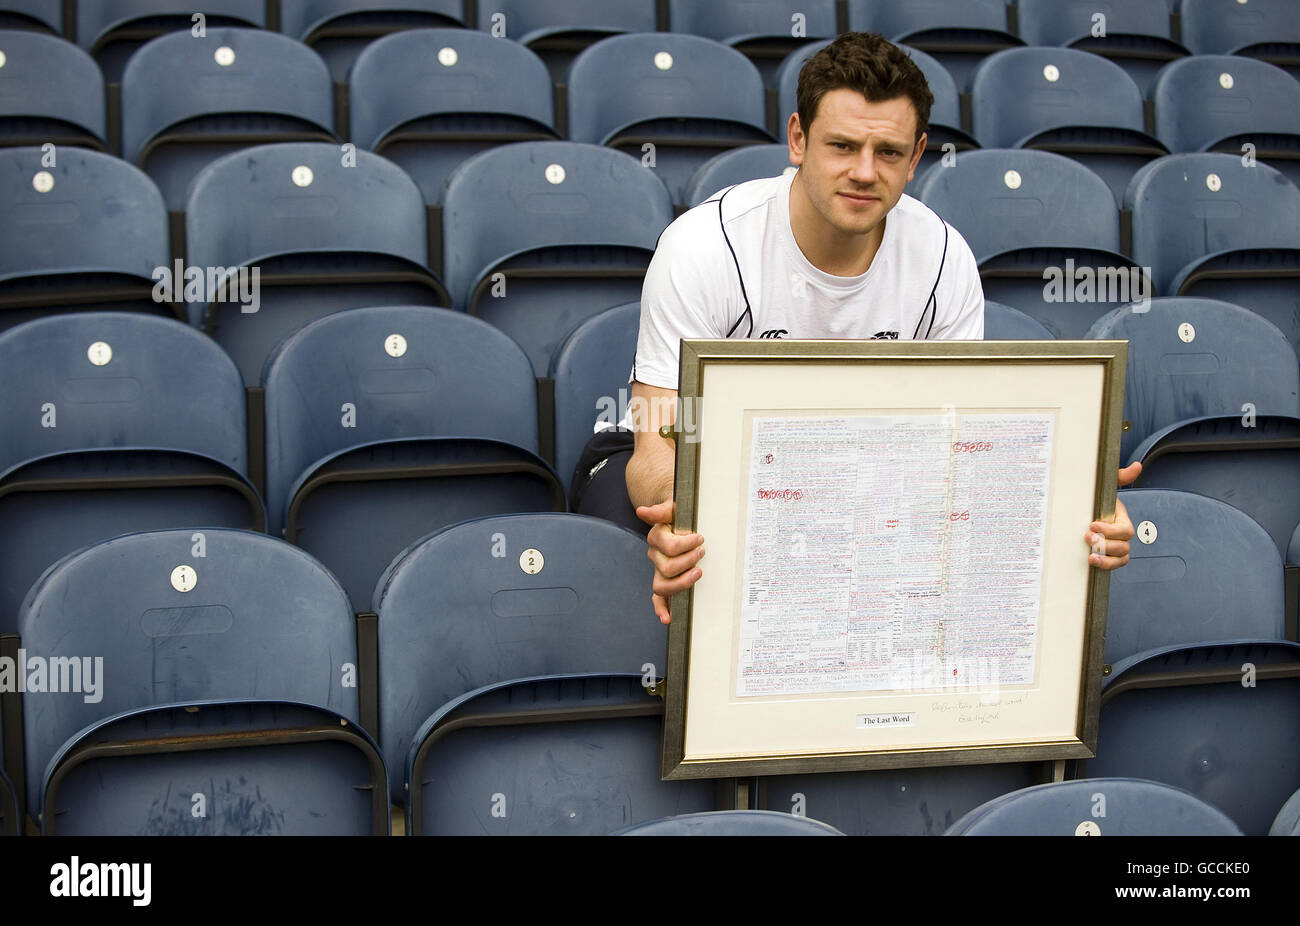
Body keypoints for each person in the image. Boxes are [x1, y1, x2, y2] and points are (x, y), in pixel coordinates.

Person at [570, 32, 1139, 624]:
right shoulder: (705, 246)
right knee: (657, 560)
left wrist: (1078, 501)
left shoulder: (943, 258)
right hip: (703, 460)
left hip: (863, 471)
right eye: (842, 145)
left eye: (888, 152)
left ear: (917, 157)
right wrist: (679, 518)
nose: (864, 172)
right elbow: (658, 443)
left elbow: (956, 447)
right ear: (798, 139)